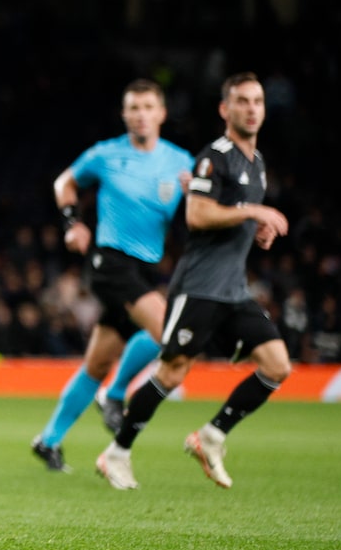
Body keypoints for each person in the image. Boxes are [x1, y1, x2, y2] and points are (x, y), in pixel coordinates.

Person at [96, 72, 291, 490]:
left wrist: (256, 229)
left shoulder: (256, 164)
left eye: (257, 101)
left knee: (278, 365)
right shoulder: (213, 157)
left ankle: (211, 436)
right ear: (225, 109)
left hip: (233, 289)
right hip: (199, 287)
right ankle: (116, 454)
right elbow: (198, 215)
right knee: (172, 373)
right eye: (242, 101)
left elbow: (231, 217)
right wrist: (253, 213)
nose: (251, 109)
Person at [30, 79, 193, 471]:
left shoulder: (181, 161)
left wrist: (198, 196)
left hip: (146, 268)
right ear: (124, 114)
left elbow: (201, 209)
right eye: (133, 107)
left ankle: (48, 440)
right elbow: (64, 182)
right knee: (169, 331)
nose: (141, 115)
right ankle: (115, 394)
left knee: (97, 364)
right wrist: (73, 223)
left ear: (162, 113)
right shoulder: (105, 154)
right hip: (109, 261)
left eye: (148, 107)